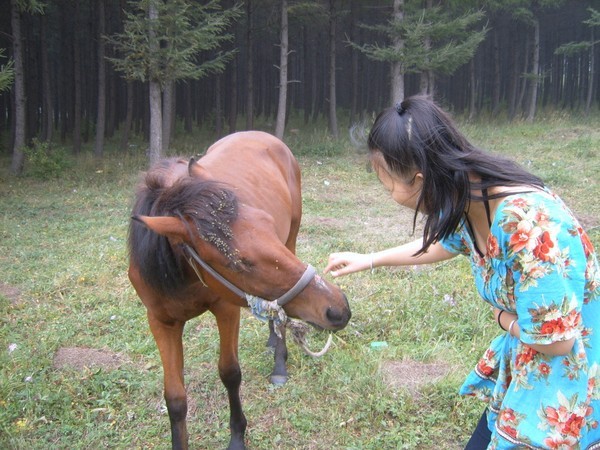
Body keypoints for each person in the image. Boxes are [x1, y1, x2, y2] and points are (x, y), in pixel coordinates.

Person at [324, 95, 600, 449]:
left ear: (420, 179)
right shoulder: (471, 195)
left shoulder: (527, 225)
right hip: (528, 369)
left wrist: (505, 321)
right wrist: (371, 258)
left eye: (386, 181)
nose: (388, 192)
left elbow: (558, 342)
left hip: (566, 390)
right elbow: (448, 243)